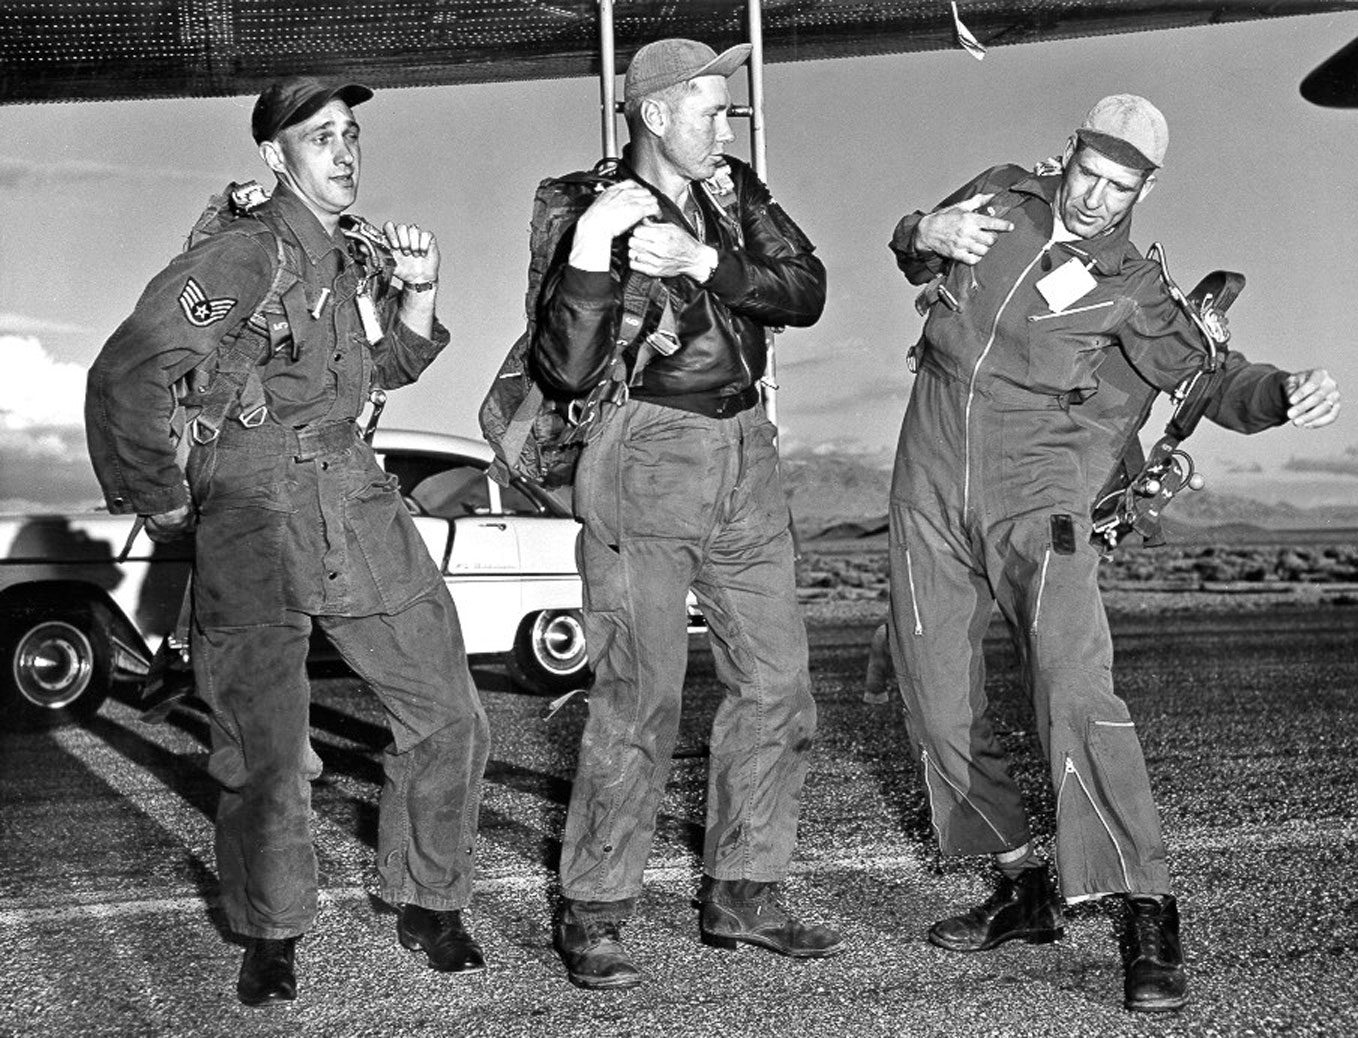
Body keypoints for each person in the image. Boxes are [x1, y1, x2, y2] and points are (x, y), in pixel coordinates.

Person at [885, 94, 1340, 1014]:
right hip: (927, 468)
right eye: (1090, 175)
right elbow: (915, 252)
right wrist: (920, 228)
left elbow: (1210, 375)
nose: (1097, 199)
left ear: (1145, 189)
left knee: (1075, 688)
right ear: (1069, 153)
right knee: (933, 694)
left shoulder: (1132, 283)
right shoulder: (1002, 197)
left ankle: (1147, 909)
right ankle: (1020, 886)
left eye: (1122, 187)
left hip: (1037, 490)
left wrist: (1279, 393)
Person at [85, 76, 491, 1006]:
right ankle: (271, 931)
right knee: (264, 747)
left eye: (351, 134)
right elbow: (128, 372)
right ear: (276, 156)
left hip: (350, 490)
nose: (344, 152)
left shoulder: (347, 256)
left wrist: (420, 299)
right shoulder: (241, 254)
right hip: (254, 502)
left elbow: (370, 376)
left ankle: (429, 900)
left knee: (449, 711)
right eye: (320, 137)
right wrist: (165, 501)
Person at [531, 38, 843, 989]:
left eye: (729, 109)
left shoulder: (733, 192)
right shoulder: (587, 209)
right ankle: (594, 909)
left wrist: (706, 258)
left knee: (780, 682)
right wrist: (595, 253)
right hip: (647, 454)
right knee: (639, 693)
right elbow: (565, 369)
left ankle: (743, 891)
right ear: (655, 114)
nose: (727, 124)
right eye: (710, 109)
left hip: (747, 454)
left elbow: (808, 290)